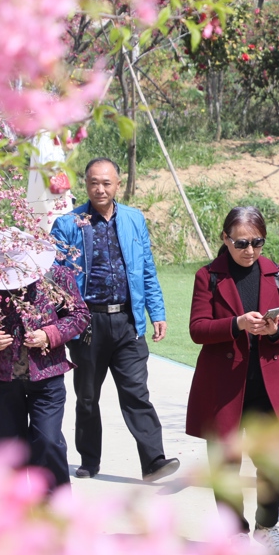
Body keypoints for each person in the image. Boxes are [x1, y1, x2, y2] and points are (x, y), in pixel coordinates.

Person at [50, 157, 180, 482]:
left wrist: (157, 312)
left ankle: (154, 461)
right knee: (87, 396)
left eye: (106, 183)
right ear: (86, 184)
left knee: (136, 392)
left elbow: (147, 269)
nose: (100, 189)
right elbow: (55, 277)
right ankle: (89, 459)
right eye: (94, 182)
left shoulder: (134, 219)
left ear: (118, 185)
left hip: (127, 321)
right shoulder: (68, 224)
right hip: (87, 324)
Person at [186, 206, 279, 555]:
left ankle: (267, 527)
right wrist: (235, 324)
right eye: (241, 243)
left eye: (257, 242)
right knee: (225, 463)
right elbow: (197, 329)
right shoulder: (208, 276)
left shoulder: (276, 275)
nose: (250, 250)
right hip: (223, 385)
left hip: (266, 383)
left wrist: (275, 330)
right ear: (225, 239)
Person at [0, 228, 90, 493]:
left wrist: (49, 334)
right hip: (0, 378)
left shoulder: (57, 276)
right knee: (6, 450)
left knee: (48, 442)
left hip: (47, 375)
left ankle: (54, 508)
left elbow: (80, 314)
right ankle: (11, 511)